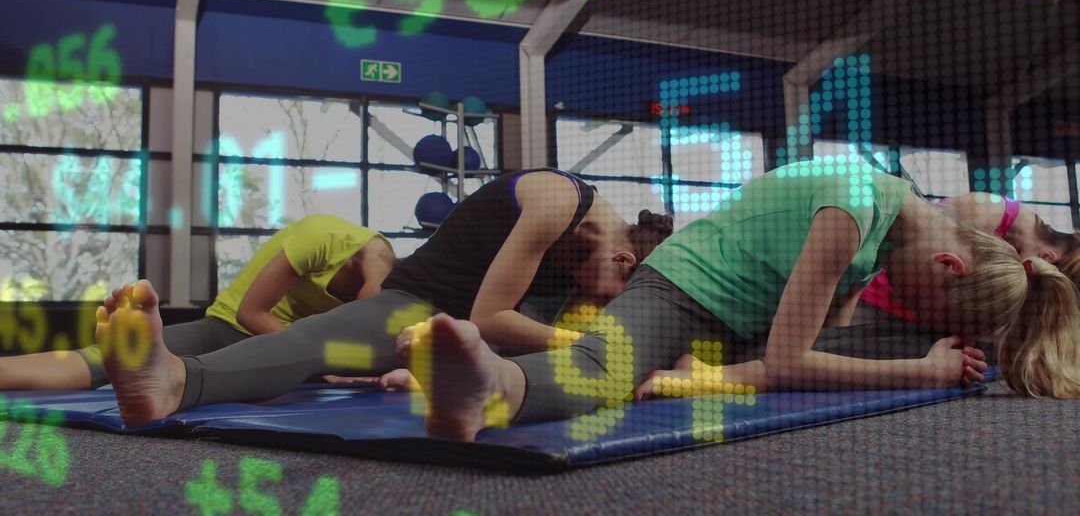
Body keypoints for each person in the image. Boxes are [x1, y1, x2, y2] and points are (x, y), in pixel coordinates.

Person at [389, 159, 1080, 441]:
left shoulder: (886, 237)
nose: (907, 302)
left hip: (739, 328)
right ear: (949, 262)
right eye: (930, 302)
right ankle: (482, 383)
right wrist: (921, 369)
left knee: (873, 340)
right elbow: (788, 360)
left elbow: (813, 345)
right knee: (604, 369)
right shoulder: (853, 209)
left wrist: (712, 376)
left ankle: (450, 369)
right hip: (688, 289)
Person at [97, 168, 673, 426]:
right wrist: (585, 341)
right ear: (623, 260)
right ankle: (176, 380)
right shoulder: (557, 202)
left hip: (456, 341)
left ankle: (422, 374)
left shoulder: (581, 253)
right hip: (417, 304)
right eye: (619, 293)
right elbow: (491, 318)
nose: (602, 303)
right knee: (314, 342)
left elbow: (522, 329)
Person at [0, 214, 394, 391]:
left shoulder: (393, 274)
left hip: (294, 355)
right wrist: (324, 360)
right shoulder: (319, 235)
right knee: (110, 360)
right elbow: (249, 313)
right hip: (229, 330)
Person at [859, 192, 1080, 322]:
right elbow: (909, 257)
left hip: (921, 314)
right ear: (1047, 257)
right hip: (872, 298)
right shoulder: (982, 211)